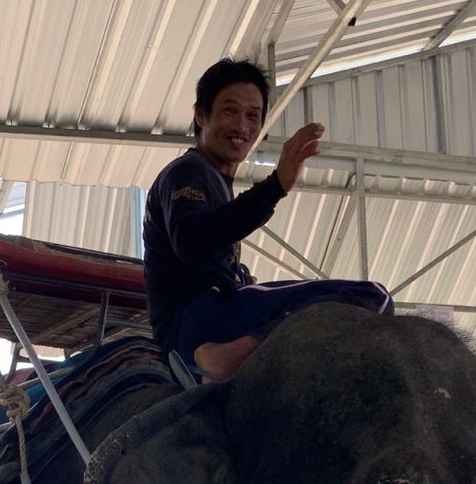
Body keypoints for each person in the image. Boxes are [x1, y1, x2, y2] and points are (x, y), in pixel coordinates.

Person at [142, 58, 391, 380]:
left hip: (198, 320)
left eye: (252, 116)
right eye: (229, 111)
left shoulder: (211, 179)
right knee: (371, 297)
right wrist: (276, 186)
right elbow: (191, 242)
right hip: (199, 319)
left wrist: (241, 277)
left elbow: (205, 254)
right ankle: (235, 353)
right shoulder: (188, 172)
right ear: (201, 115)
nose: (242, 126)